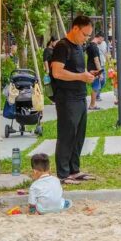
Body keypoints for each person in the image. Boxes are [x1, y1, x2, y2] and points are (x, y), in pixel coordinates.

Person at [49, 15, 98, 185]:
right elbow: (57, 72)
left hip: (79, 96)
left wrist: (87, 75)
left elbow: (78, 70)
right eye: (84, 34)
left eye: (88, 36)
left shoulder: (78, 47)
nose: (86, 39)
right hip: (66, 97)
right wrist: (80, 76)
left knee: (79, 135)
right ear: (75, 28)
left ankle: (74, 169)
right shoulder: (62, 46)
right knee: (67, 134)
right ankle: (63, 173)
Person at [86, 33, 104, 111]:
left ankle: (93, 104)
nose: (102, 41)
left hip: (90, 68)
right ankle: (92, 105)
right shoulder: (94, 47)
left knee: (96, 86)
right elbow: (96, 60)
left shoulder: (89, 45)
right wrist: (100, 72)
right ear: (99, 37)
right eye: (102, 39)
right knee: (96, 87)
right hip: (95, 70)